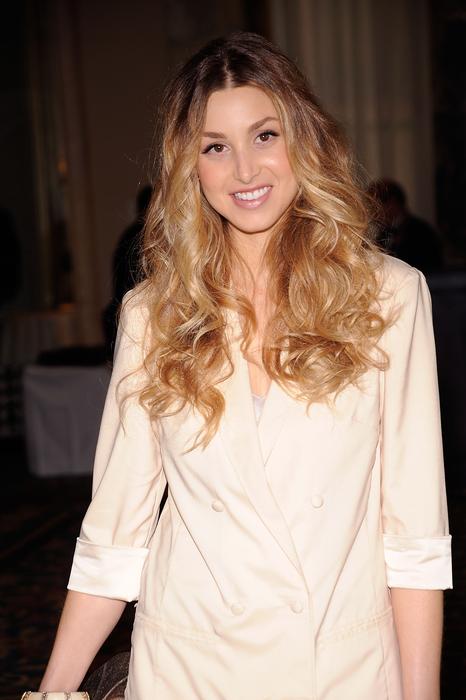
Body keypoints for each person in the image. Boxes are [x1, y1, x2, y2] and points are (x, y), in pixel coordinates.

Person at [33, 32, 451, 700]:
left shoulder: (389, 296)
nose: (245, 170)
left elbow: (415, 540)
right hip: (187, 670)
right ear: (190, 166)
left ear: (303, 141)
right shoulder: (154, 313)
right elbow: (115, 535)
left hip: (338, 670)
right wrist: (53, 691)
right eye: (215, 147)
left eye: (265, 136)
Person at [368, 178, 444, 274]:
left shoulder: (421, 231)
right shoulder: (383, 234)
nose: (373, 214)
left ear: (392, 203)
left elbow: (430, 268)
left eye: (375, 207)